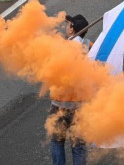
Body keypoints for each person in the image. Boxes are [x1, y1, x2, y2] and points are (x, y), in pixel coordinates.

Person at [48, 13, 90, 165]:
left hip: (60, 103)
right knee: (78, 145)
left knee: (57, 141)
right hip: (80, 105)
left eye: (68, 25)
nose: (66, 27)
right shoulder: (89, 46)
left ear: (72, 29)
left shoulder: (61, 47)